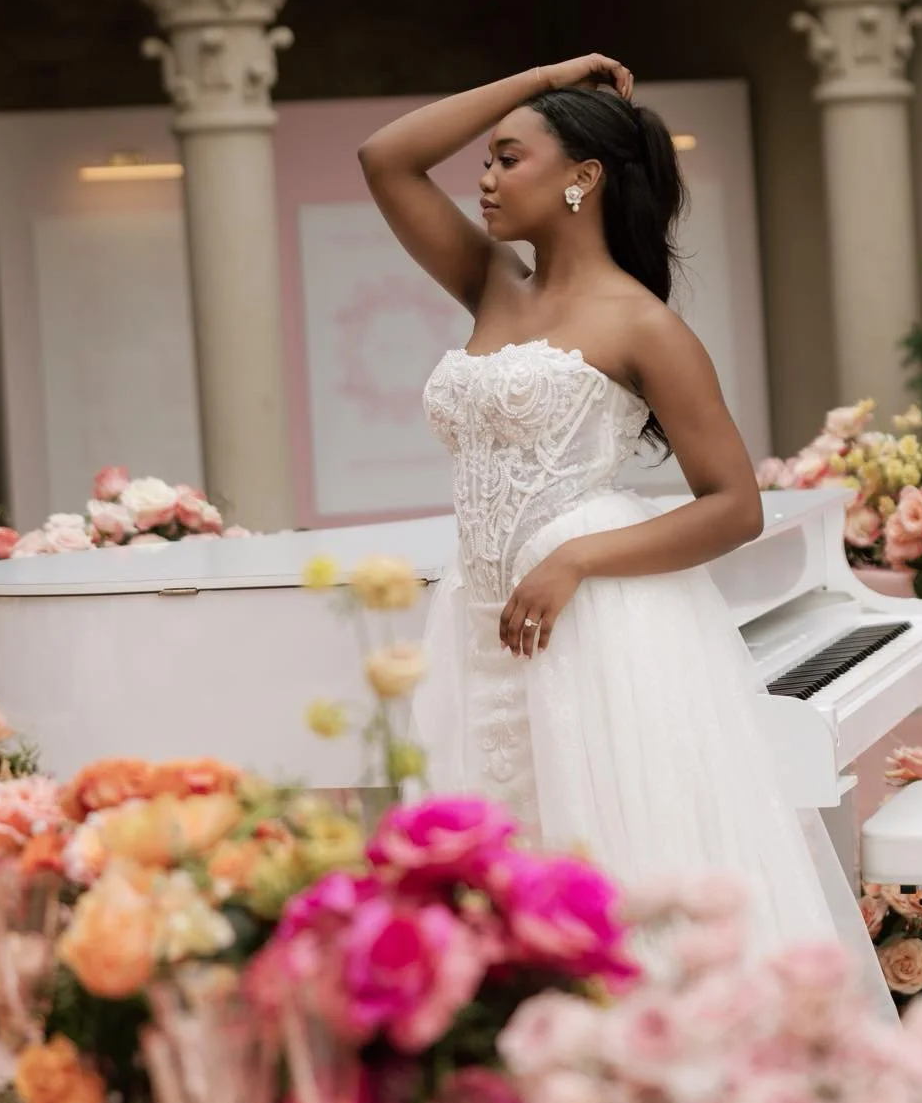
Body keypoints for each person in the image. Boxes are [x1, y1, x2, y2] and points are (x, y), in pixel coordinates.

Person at [359, 53, 885, 989]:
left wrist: (580, 560)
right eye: (485, 160)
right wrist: (547, 77)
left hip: (598, 620)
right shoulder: (491, 284)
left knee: (608, 851)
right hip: (480, 616)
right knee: (492, 860)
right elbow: (386, 159)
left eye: (508, 158)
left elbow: (733, 504)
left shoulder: (643, 326)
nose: (482, 177)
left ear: (583, 178)